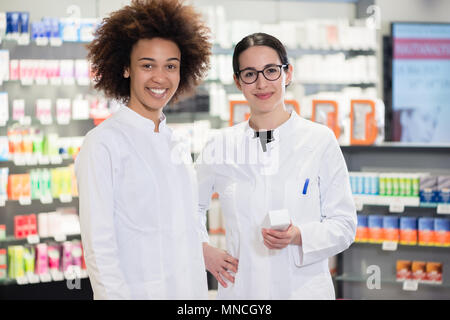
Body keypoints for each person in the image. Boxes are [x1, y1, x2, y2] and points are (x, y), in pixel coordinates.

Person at [196, 33, 357, 299]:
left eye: (271, 71)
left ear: (287, 73)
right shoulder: (220, 145)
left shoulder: (319, 139)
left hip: (303, 289)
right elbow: (190, 206)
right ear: (238, 81)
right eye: (249, 74)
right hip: (242, 289)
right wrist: (203, 250)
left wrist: (299, 235)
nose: (261, 83)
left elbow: (344, 225)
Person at [75, 0, 211, 299]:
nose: (160, 78)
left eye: (171, 66)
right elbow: (99, 245)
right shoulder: (103, 144)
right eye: (147, 65)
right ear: (125, 68)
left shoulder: (176, 141)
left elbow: (185, 222)